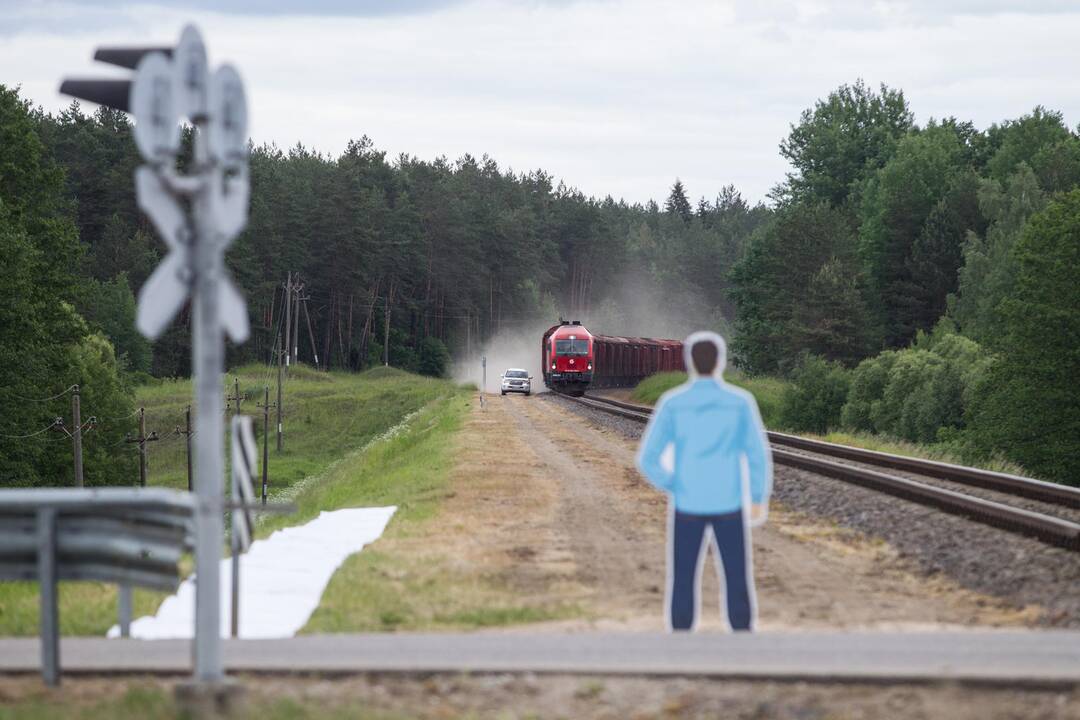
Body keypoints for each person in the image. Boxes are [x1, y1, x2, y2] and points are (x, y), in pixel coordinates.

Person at [636, 331, 772, 632]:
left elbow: (647, 458)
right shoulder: (740, 402)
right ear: (720, 362)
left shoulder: (673, 403)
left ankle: (681, 641)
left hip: (688, 505)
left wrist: (676, 484)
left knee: (682, 577)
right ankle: (742, 641)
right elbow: (756, 456)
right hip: (729, 503)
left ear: (689, 363)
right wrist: (757, 498)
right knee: (737, 576)